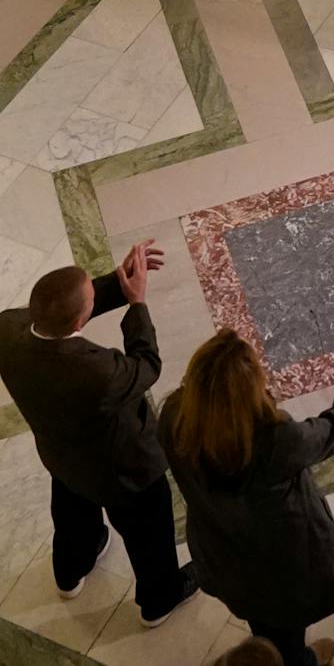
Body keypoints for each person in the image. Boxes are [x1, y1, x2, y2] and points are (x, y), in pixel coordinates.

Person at [158, 306, 334, 666]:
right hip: (281, 572)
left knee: (258, 617)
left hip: (223, 554)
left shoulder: (174, 418)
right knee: (283, 635)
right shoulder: (276, 441)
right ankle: (297, 660)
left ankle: (280, 650)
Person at [0, 241, 197, 626]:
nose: (94, 296)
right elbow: (147, 366)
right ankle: (160, 599)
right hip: (124, 472)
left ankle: (71, 571)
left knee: (72, 517)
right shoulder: (98, 373)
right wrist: (137, 304)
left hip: (62, 456)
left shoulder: (7, 328)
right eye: (92, 297)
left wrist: (119, 283)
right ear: (79, 323)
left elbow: (60, 311)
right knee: (149, 538)